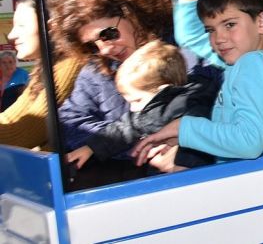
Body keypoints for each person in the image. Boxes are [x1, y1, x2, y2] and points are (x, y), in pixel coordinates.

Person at [135, 0, 263, 166]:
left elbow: (249, 142)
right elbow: (190, 36)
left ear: (261, 21)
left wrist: (185, 128)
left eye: (230, 24)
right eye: (210, 29)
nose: (219, 38)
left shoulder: (251, 64)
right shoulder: (248, 59)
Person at [52, 0, 178, 162]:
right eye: (92, 46)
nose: (105, 49)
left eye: (108, 34)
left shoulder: (181, 50)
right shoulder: (96, 70)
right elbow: (69, 123)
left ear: (131, 15)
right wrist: (137, 145)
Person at [65, 40, 216, 172]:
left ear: (161, 90)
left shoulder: (190, 104)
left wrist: (183, 166)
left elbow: (194, 135)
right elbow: (122, 129)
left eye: (137, 100)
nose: (132, 108)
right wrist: (91, 148)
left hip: (190, 175)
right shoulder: (153, 109)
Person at [1, 0, 88, 149]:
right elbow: (9, 119)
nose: (11, 35)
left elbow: (21, 135)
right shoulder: (48, 65)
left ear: (51, 27)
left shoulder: (70, 64)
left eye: (21, 25)